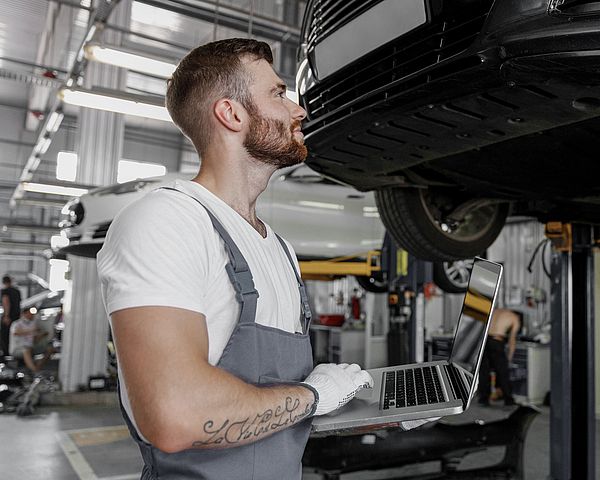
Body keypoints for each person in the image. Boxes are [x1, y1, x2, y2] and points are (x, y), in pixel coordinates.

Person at [97, 38, 374, 480]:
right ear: (232, 114)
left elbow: (268, 406)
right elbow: (176, 416)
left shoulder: (279, 248)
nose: (298, 110)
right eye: (279, 94)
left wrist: (369, 409)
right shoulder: (168, 220)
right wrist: (314, 395)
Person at [478, 308, 521, 406]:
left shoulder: (495, 311)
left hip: (485, 341)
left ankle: (483, 399)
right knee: (503, 372)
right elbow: (512, 340)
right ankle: (508, 399)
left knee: (484, 372)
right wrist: (510, 357)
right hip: (497, 342)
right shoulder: (515, 318)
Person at [9, 308, 54, 373]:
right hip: (18, 348)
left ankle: (38, 366)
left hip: (31, 346)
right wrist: (31, 330)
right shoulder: (17, 323)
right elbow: (16, 332)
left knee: (50, 349)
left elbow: (34, 340)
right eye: (30, 313)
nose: (32, 315)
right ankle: (34, 370)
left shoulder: (33, 324)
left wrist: (42, 335)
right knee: (26, 350)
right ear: (24, 314)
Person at [1, 275, 22, 357]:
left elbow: (6, 303)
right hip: (16, 317)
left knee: (5, 336)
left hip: (9, 317)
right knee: (14, 336)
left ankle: (6, 355)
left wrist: (6, 316)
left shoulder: (5, 291)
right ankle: (14, 353)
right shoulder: (17, 291)